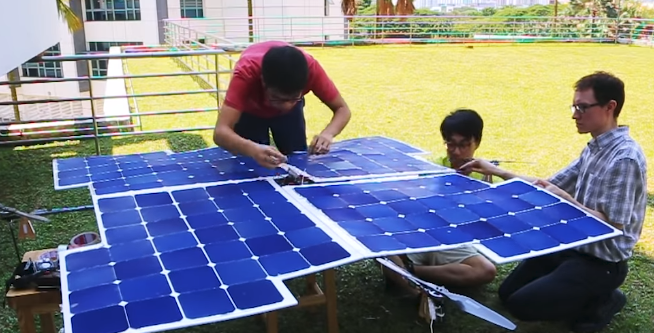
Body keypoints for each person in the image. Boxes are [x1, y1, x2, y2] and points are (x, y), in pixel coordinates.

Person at [460, 72, 647, 333]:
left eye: (582, 107)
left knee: (522, 306)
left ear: (610, 107)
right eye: (575, 106)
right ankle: (573, 284)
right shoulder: (594, 148)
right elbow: (547, 184)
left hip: (602, 262)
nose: (575, 114)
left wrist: (568, 201)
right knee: (507, 293)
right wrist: (498, 171)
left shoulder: (624, 159)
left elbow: (613, 224)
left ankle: (605, 298)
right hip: (573, 243)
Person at [383, 109, 497, 298]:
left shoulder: (487, 176)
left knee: (486, 270)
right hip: (418, 233)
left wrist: (488, 187)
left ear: (477, 142)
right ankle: (411, 284)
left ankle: (408, 272)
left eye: (464, 145)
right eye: (450, 145)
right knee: (380, 246)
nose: (457, 152)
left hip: (452, 238)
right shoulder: (431, 168)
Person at [213, 41, 352, 169]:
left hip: (289, 118)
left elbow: (343, 109)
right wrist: (252, 149)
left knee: (296, 156)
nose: (286, 106)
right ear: (262, 82)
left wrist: (328, 134)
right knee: (251, 163)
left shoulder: (311, 70)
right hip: (251, 111)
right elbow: (220, 132)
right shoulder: (246, 73)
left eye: (293, 98)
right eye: (277, 98)